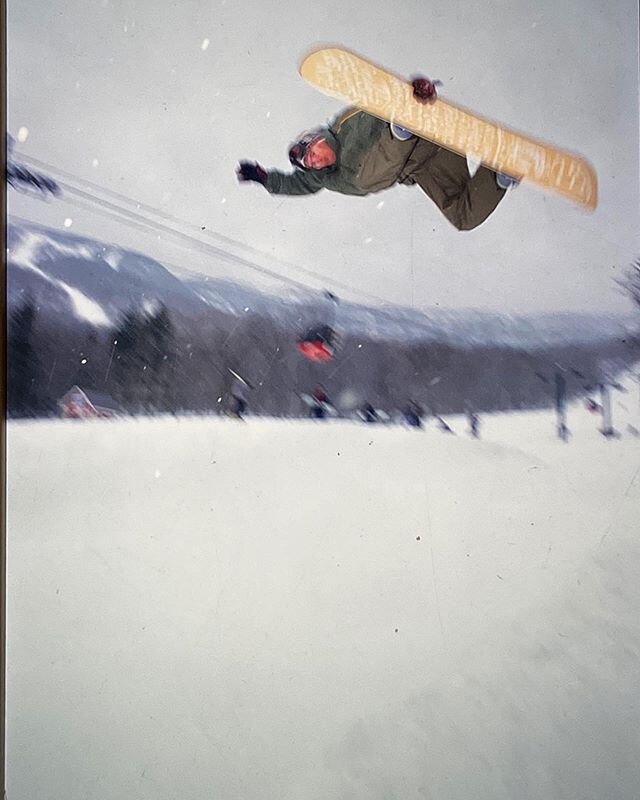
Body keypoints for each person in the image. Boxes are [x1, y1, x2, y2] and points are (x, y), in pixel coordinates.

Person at [237, 77, 517, 232]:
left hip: (423, 133)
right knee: (463, 218)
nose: (316, 162)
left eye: (313, 153)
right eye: (310, 164)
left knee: (365, 181)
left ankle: (401, 130)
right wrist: (263, 178)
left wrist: (417, 94)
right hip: (427, 163)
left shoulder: (346, 124)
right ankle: (500, 173)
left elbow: (382, 99)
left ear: (319, 138)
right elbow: (295, 184)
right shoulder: (322, 178)